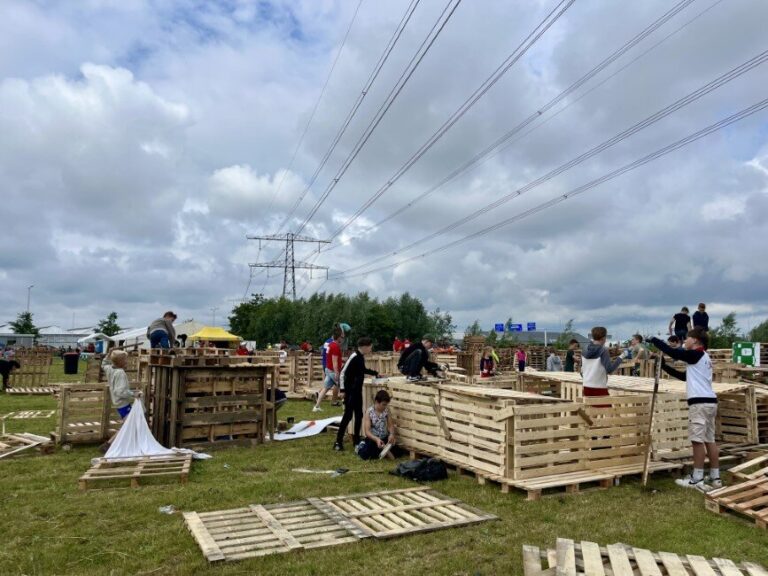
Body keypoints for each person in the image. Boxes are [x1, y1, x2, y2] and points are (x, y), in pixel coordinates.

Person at [648, 328, 719, 490]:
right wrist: (664, 367)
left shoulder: (696, 354)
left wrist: (654, 339)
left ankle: (697, 478)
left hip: (699, 403)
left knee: (697, 441)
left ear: (695, 341)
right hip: (710, 401)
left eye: (687, 338)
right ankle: (715, 477)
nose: (684, 341)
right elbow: (684, 377)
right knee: (710, 440)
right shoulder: (703, 357)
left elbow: (673, 352)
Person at [334, 337, 379, 451]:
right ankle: (338, 442)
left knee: (359, 415)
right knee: (348, 416)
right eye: (370, 347)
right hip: (350, 392)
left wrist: (376, 373)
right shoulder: (354, 356)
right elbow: (342, 373)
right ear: (365, 346)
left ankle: (356, 441)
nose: (370, 349)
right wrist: (343, 390)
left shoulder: (360, 357)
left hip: (357, 391)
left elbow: (362, 370)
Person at [99, 349, 139, 453]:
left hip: (118, 403)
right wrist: (134, 394)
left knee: (129, 424)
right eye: (125, 360)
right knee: (128, 425)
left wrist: (108, 355)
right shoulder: (120, 373)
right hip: (123, 404)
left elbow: (103, 364)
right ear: (120, 361)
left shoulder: (109, 369)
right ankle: (109, 444)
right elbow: (120, 391)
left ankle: (111, 444)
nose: (127, 362)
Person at [581, 327, 626, 398]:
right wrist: (621, 357)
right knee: (607, 409)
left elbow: (582, 371)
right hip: (599, 387)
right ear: (603, 338)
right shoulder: (603, 351)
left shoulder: (584, 349)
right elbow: (610, 370)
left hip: (586, 386)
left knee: (591, 408)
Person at [357, 390, 396, 460]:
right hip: (373, 439)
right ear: (377, 402)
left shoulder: (386, 411)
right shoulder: (369, 412)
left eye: (386, 404)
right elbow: (367, 432)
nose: (385, 406)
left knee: (397, 451)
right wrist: (377, 439)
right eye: (383, 404)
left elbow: (390, 426)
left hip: (384, 438)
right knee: (366, 455)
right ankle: (361, 446)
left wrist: (391, 434)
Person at [314, 327, 344, 412]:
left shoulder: (331, 345)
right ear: (338, 337)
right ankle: (346, 407)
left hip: (328, 369)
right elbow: (334, 361)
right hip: (332, 371)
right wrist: (337, 373)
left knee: (325, 388)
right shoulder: (335, 347)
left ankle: (316, 407)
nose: (343, 339)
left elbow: (331, 358)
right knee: (343, 386)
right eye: (342, 337)